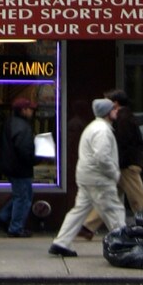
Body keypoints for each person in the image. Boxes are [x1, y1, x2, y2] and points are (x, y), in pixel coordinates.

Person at [49, 99, 125, 257]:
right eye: (114, 109)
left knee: (79, 211)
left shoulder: (92, 127)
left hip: (86, 176)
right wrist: (114, 174)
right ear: (107, 112)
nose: (116, 111)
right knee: (114, 211)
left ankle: (61, 242)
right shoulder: (102, 131)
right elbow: (102, 158)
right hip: (99, 179)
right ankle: (123, 244)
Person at [84, 89, 143, 234]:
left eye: (108, 101)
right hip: (124, 164)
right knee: (120, 196)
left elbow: (121, 142)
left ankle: (88, 226)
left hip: (125, 165)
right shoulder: (125, 117)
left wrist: (114, 161)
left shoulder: (122, 118)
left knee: (136, 198)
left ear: (116, 103)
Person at [0, 93, 37, 237]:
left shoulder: (10, 122)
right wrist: (35, 159)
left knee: (21, 195)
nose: (32, 111)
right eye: (29, 109)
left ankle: (3, 216)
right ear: (23, 110)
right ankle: (16, 228)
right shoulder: (23, 127)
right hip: (20, 168)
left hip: (12, 166)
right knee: (23, 198)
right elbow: (24, 149)